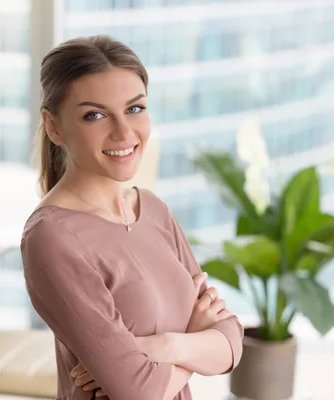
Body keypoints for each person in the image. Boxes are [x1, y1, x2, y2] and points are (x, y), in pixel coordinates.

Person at [21, 35, 243, 400]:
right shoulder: (52, 238)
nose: (124, 132)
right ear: (54, 126)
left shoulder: (153, 210)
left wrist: (164, 347)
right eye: (94, 115)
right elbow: (137, 393)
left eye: (135, 108)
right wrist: (194, 343)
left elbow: (232, 339)